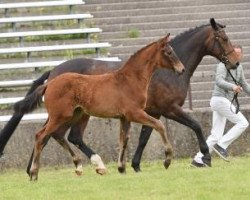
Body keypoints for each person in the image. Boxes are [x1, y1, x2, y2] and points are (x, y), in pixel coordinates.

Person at [191, 45, 250, 167]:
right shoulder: (222, 65)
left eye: (239, 54)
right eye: (235, 53)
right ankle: (222, 145)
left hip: (224, 102)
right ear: (230, 54)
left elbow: (244, 84)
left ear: (242, 55)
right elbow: (219, 80)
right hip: (219, 100)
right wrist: (232, 86)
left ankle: (198, 160)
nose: (237, 55)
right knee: (243, 123)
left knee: (215, 135)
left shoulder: (239, 67)